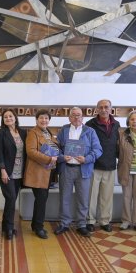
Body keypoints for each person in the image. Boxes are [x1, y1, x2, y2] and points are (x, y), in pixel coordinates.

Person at [54, 107, 102, 237]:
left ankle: (81, 224)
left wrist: (87, 159)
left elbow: (98, 150)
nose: (76, 117)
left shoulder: (90, 131)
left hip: (83, 170)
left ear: (82, 117)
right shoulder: (63, 130)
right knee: (64, 198)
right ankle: (64, 223)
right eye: (74, 115)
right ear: (69, 117)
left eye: (79, 115)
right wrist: (62, 157)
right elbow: (56, 148)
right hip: (66, 169)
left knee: (83, 198)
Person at [86, 99, 120, 233]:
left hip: (110, 165)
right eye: (101, 107)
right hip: (94, 165)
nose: (103, 109)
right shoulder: (90, 124)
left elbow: (117, 144)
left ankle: (105, 221)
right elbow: (86, 144)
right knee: (91, 196)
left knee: (107, 196)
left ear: (111, 109)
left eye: (106, 107)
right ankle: (90, 221)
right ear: (97, 109)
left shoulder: (116, 124)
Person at [25, 110, 59, 239]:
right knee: (41, 200)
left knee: (42, 199)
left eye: (46, 118)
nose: (44, 120)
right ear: (36, 119)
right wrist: (49, 159)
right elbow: (31, 152)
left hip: (49, 172)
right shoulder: (33, 133)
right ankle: (39, 227)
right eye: (41, 118)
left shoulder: (49, 133)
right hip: (38, 172)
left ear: (49, 120)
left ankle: (35, 225)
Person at [0, 108, 26, 240]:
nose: (8, 118)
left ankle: (6, 225)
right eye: (5, 117)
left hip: (19, 171)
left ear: (15, 118)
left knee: (11, 199)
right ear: (3, 120)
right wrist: (3, 170)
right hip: (6, 171)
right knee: (11, 197)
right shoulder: (1, 133)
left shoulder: (23, 132)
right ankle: (9, 228)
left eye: (10, 116)